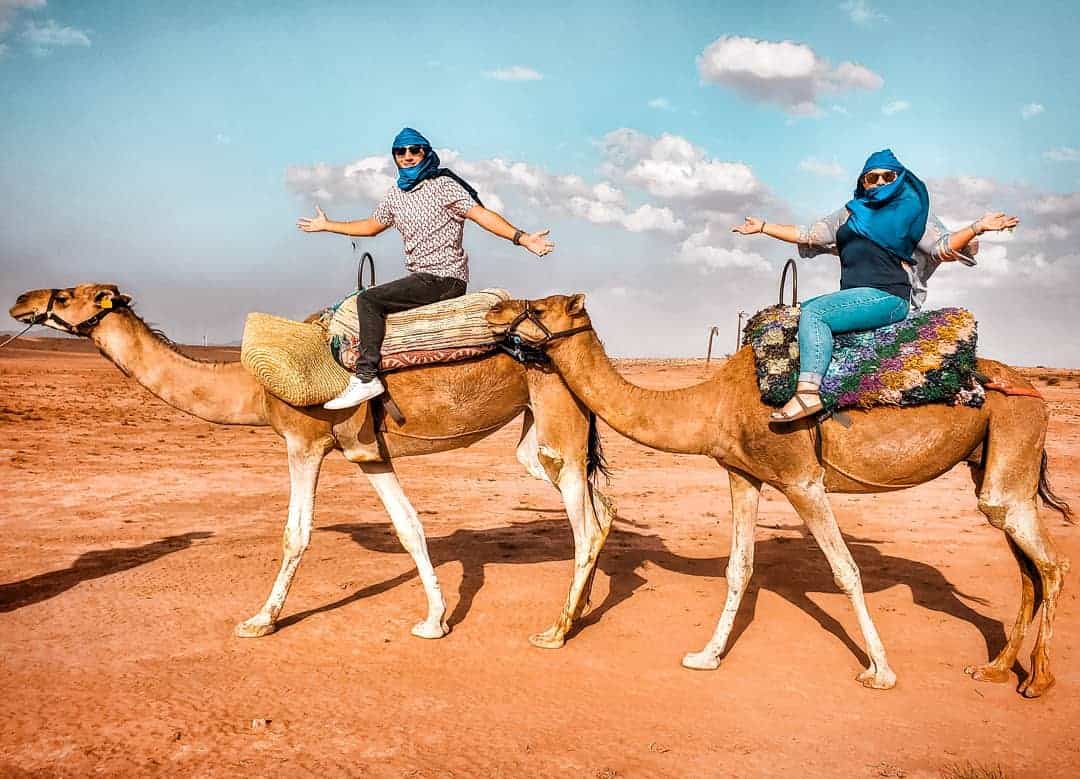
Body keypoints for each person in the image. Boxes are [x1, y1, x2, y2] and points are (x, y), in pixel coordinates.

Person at [732, 148, 1019, 422]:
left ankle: (808, 394)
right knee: (794, 316)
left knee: (815, 314)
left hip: (888, 297)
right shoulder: (850, 213)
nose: (880, 182)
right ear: (863, 182)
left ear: (899, 177)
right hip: (855, 297)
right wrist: (763, 227)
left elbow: (941, 247)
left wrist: (977, 227)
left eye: (887, 176)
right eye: (872, 177)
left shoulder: (912, 211)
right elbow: (809, 234)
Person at [298, 128, 554, 409]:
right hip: (421, 278)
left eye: (414, 150)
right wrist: (328, 225)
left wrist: (523, 238)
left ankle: (366, 376)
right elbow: (371, 227)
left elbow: (481, 215)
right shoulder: (396, 194)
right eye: (400, 152)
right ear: (394, 156)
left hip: (444, 278)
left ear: (426, 152)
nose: (407, 157)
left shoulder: (444, 185)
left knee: (368, 300)